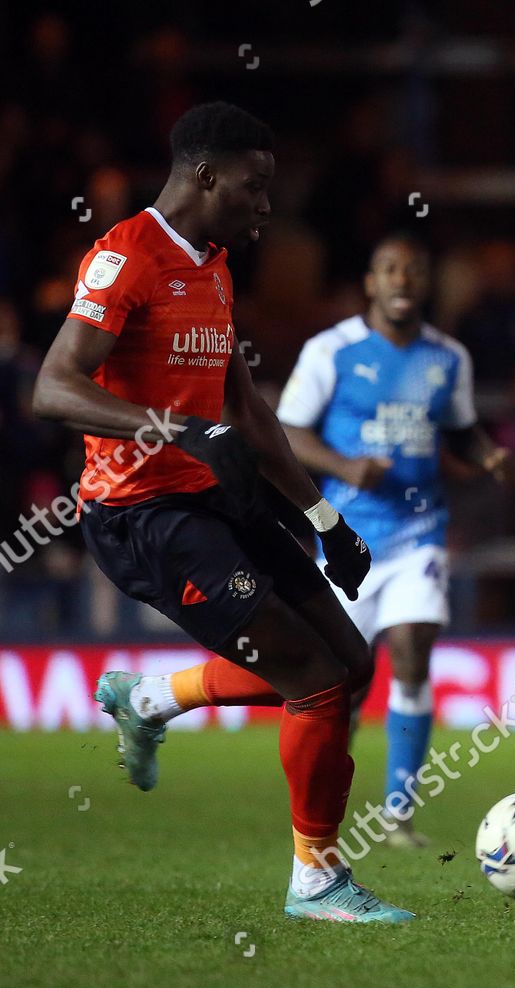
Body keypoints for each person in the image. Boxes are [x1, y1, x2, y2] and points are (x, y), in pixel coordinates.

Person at [32, 101, 413, 923]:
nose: (265, 206)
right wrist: (177, 427)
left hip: (212, 496)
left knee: (350, 668)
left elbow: (247, 410)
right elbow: (53, 387)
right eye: (255, 186)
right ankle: (316, 882)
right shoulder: (123, 257)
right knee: (311, 682)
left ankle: (151, 699)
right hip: (142, 516)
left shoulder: (212, 264)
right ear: (205, 176)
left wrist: (323, 518)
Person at [277, 232, 506, 847]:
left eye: (413, 270)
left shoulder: (448, 357)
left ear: (425, 282)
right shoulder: (332, 351)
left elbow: (461, 431)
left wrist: (486, 455)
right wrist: (347, 468)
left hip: (418, 534)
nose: (402, 279)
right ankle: (317, 816)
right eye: (389, 270)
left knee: (410, 649)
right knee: (339, 684)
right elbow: (286, 431)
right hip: (344, 542)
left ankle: (399, 816)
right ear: (370, 284)